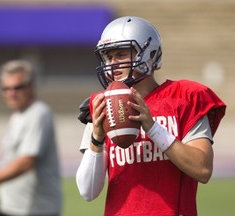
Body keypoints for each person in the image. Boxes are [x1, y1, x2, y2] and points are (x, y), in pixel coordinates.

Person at [76, 16, 226, 216]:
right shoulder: (102, 104)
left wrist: (153, 128)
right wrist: (97, 137)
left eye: (121, 54)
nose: (112, 63)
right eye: (108, 57)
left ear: (149, 54)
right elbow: (87, 191)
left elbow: (203, 170)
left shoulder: (184, 97)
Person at [0, 60, 62, 216]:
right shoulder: (19, 115)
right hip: (12, 205)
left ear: (31, 86)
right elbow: (11, 160)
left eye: (18, 87)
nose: (11, 94)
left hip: (34, 209)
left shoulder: (38, 114)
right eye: (6, 88)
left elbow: (26, 161)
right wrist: (3, 195)